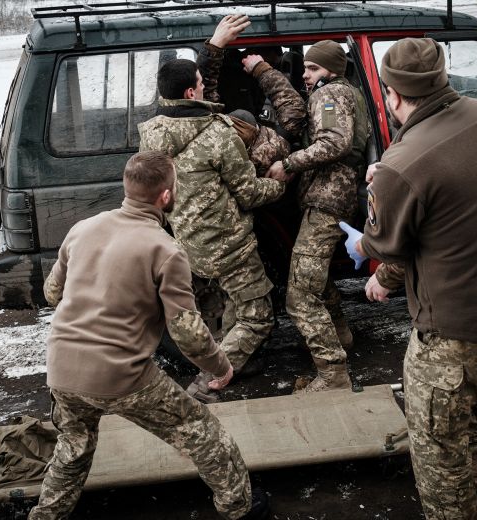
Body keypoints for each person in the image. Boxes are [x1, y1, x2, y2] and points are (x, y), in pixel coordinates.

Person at [340, 37, 477, 520]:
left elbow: (382, 244)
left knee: (442, 457)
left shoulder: (405, 163)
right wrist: (395, 177)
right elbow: (452, 200)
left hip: (458, 335)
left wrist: (367, 227)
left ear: (392, 95)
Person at [28, 151, 268, 520]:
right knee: (202, 431)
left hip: (61, 369)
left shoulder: (82, 228)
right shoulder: (166, 250)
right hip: (121, 374)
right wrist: (221, 366)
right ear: (167, 197)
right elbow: (187, 332)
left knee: (74, 445)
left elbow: (52, 293)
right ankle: (240, 508)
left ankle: (46, 515)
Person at [138, 59, 286, 403]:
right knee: (258, 316)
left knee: (234, 302)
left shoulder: (152, 133)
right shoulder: (218, 134)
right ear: (191, 92)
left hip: (188, 244)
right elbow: (248, 192)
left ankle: (236, 360)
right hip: (228, 246)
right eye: (202, 82)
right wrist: (280, 184)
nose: (204, 87)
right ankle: (211, 380)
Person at [264, 40, 371, 393]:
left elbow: (334, 143)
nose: (306, 76)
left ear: (331, 70)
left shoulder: (330, 96)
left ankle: (333, 375)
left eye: (313, 69)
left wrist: (289, 163)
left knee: (300, 294)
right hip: (329, 197)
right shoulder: (343, 92)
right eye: (306, 68)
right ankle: (340, 334)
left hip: (328, 198)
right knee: (313, 275)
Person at [197, 14, 307, 175]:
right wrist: (261, 69)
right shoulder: (269, 151)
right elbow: (294, 111)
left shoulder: (214, 143)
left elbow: (203, 95)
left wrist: (214, 46)